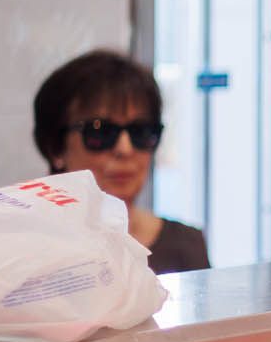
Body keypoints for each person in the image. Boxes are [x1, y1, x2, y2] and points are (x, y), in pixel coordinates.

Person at [33, 50, 208, 275]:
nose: (125, 149)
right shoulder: (29, 249)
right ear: (56, 146)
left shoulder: (186, 245)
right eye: (101, 132)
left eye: (141, 132)